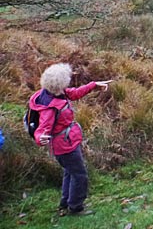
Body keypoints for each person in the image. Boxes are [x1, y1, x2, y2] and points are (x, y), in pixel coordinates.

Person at [29, 63, 112, 217]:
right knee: (80, 175)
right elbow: (43, 127)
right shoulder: (51, 107)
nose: (69, 79)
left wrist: (93, 85)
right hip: (64, 146)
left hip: (67, 142)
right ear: (60, 83)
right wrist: (40, 137)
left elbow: (75, 93)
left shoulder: (56, 93)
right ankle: (76, 207)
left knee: (70, 172)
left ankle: (66, 202)